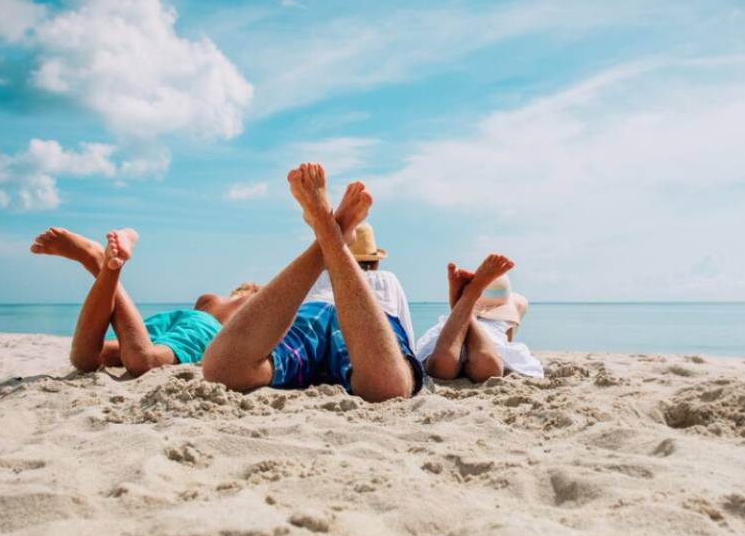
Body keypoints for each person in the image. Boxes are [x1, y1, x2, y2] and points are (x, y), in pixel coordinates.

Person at [201, 164, 423, 403]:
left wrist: (327, 243)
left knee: (224, 370)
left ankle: (326, 233)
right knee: (388, 385)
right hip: (366, 320)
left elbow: (283, 315)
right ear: (375, 263)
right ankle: (329, 231)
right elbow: (406, 345)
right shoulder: (386, 279)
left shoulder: (313, 276)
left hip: (313, 312)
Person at [30, 227, 253, 376]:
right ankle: (97, 262)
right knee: (144, 360)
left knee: (87, 359)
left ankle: (97, 261)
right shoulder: (247, 300)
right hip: (207, 327)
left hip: (169, 321)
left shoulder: (208, 300)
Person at [416, 256, 544, 382]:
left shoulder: (450, 320)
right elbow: (507, 342)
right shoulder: (504, 321)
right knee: (489, 369)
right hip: (487, 340)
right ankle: (469, 304)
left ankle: (466, 304)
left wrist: (459, 309)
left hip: (451, 331)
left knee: (438, 367)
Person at [303, 221, 415, 353]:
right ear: (375, 263)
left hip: (320, 336)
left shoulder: (315, 279)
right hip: (373, 339)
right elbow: (405, 327)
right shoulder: (386, 279)